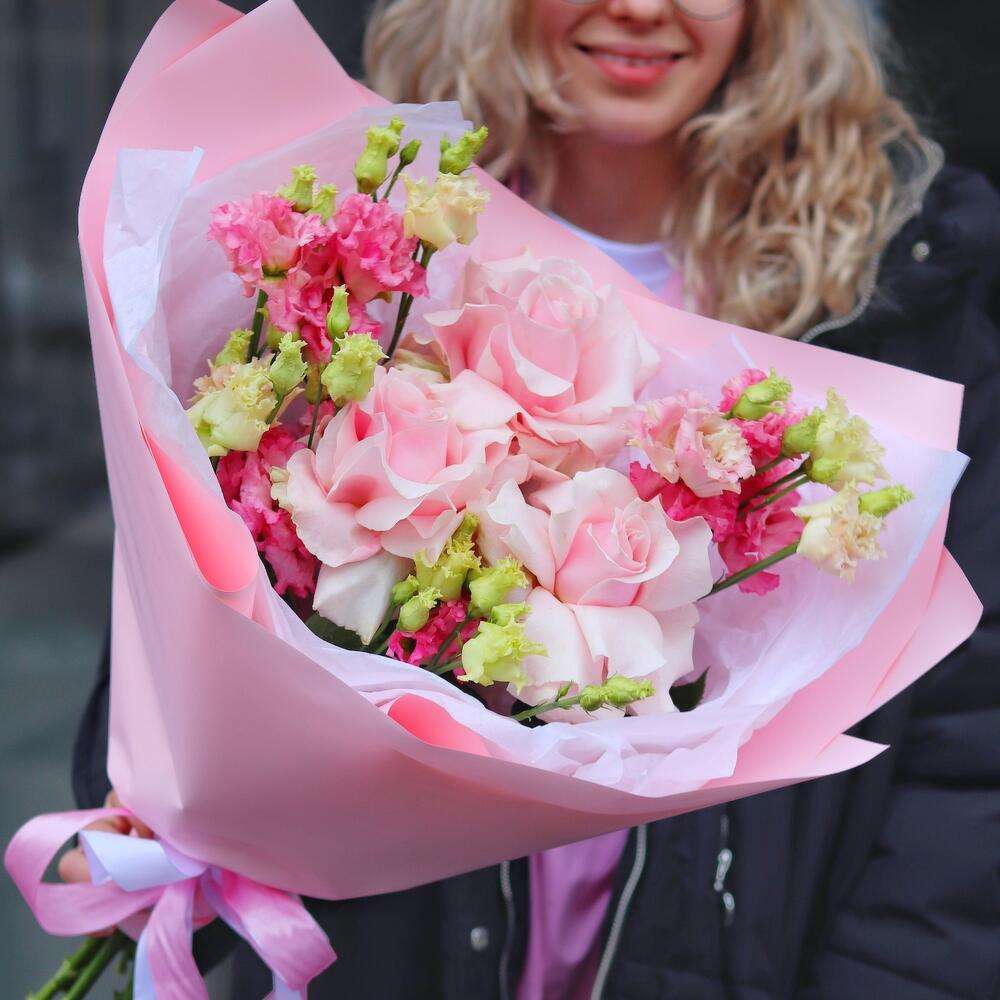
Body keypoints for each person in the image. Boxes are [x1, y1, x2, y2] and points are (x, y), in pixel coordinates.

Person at [68, 0, 1000, 996]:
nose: (641, 8)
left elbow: (964, 749)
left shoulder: (897, 303)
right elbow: (191, 629)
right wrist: (169, 827)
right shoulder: (366, 263)